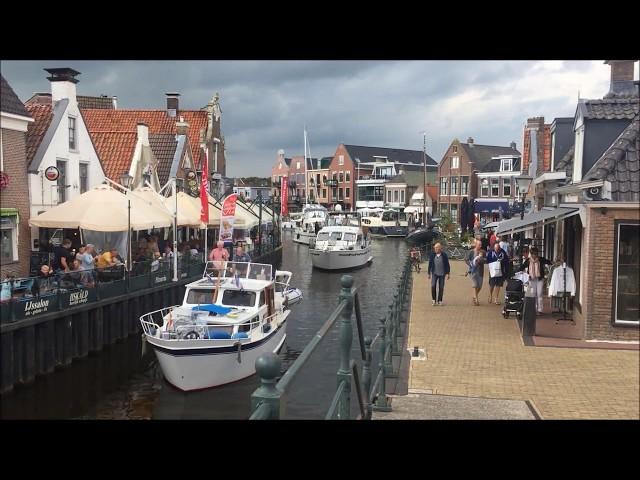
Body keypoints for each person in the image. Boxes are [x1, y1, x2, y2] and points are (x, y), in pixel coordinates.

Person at [520, 246, 552, 314]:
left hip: (539, 279)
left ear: (537, 254)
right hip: (531, 279)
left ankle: (540, 310)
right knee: (533, 294)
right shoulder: (528, 261)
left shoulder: (540, 259)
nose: (534, 255)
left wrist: (554, 262)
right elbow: (522, 267)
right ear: (531, 254)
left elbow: (548, 262)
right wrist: (516, 272)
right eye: (533, 254)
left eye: (535, 254)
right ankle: (533, 309)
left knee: (539, 294)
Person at [427, 242, 450, 306]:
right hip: (434, 273)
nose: (435, 249)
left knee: (441, 287)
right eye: (435, 248)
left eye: (437, 248)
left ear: (440, 248)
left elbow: (447, 264)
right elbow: (430, 264)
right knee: (433, 286)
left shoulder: (444, 255)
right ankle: (433, 300)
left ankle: (440, 300)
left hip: (442, 274)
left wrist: (448, 273)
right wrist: (429, 273)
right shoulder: (432, 255)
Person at [466, 239, 487, 306]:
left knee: (479, 286)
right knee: (475, 285)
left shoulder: (483, 252)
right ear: (476, 245)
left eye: (481, 245)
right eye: (479, 245)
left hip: (480, 271)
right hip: (473, 271)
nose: (480, 246)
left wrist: (481, 260)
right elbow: (466, 259)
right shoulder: (471, 252)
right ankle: (476, 299)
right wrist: (470, 264)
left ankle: (474, 296)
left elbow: (486, 260)